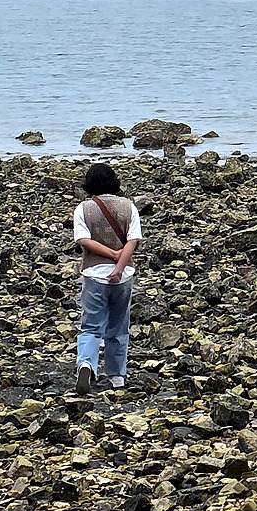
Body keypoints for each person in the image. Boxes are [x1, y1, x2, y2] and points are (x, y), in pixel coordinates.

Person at [71, 162, 141, 396]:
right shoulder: (128, 207)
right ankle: (117, 376)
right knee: (119, 326)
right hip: (124, 276)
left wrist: (109, 255)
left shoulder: (83, 209)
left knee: (91, 325)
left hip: (94, 274)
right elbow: (133, 241)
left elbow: (83, 240)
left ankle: (86, 364)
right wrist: (119, 266)